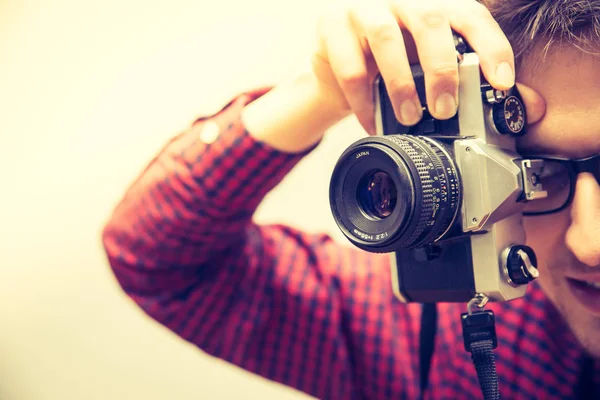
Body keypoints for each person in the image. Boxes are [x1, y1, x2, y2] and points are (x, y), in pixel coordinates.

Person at [101, 0, 600, 398]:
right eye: (538, 175)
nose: (588, 243)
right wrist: (320, 91)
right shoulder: (445, 341)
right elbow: (164, 264)